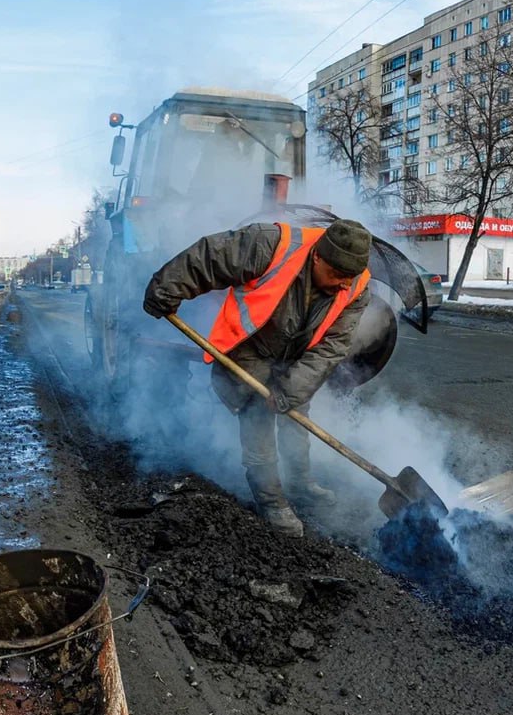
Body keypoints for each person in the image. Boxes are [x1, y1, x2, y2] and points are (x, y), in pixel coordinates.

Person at [142, 219, 372, 537]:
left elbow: (333, 347)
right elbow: (210, 257)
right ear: (318, 256)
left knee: (295, 412)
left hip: (295, 354)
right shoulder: (271, 244)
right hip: (250, 345)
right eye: (337, 276)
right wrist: (167, 287)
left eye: (350, 278)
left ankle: (300, 483)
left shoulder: (356, 287)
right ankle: (271, 498)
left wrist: (290, 390)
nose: (343, 285)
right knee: (259, 412)